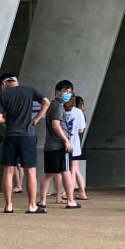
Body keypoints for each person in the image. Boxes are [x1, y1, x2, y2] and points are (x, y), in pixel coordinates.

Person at [0, 74, 50, 214]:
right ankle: (32, 205)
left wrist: (8, 123)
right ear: (16, 82)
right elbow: (46, 102)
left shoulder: (2, 95)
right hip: (27, 135)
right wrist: (36, 119)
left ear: (4, 83)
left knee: (8, 171)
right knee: (30, 171)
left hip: (10, 135)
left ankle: (8, 206)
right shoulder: (29, 90)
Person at [37, 81, 79, 210]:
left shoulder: (51, 105)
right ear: (57, 91)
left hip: (49, 145)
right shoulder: (58, 106)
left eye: (69, 91)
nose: (67, 94)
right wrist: (66, 140)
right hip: (59, 145)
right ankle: (70, 201)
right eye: (64, 91)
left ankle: (42, 201)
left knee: (48, 173)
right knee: (66, 172)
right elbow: (56, 124)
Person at [68, 95, 88, 200]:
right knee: (76, 170)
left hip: (72, 144)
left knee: (72, 170)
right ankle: (82, 192)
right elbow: (81, 130)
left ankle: (69, 193)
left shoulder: (73, 113)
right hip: (78, 145)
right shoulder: (82, 114)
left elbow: (80, 130)